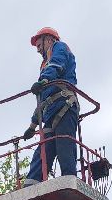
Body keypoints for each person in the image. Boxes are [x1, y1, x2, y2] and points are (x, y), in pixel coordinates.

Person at [23, 27, 80, 184]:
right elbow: (42, 98)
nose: (38, 50)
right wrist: (33, 125)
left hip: (65, 105)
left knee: (64, 146)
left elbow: (57, 65)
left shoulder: (59, 48)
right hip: (50, 110)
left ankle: (69, 181)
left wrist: (44, 80)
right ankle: (31, 184)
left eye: (39, 45)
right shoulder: (45, 65)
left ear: (48, 39)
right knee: (43, 150)